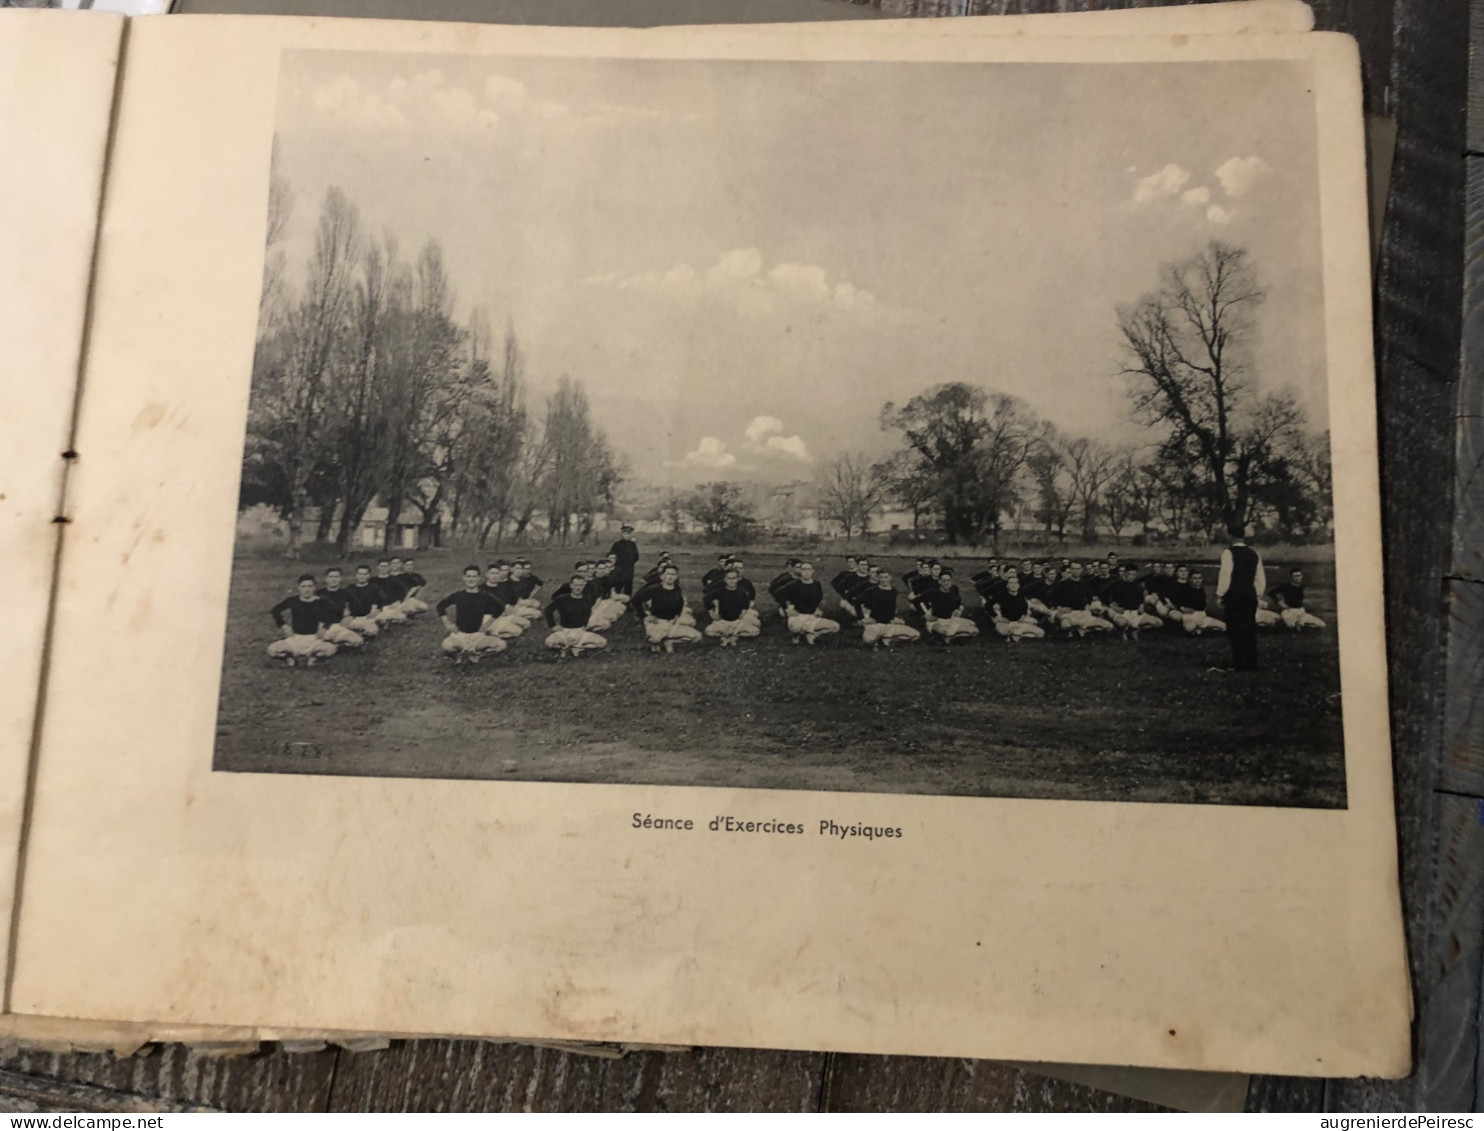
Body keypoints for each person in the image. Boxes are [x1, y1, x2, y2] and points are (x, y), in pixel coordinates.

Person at [436, 565, 509, 663]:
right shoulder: (459, 595)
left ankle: (478, 656)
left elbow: (500, 607)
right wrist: (448, 624)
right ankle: (458, 655)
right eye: (469, 576)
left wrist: (488, 624)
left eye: (474, 577)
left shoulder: (484, 596)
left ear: (479, 579)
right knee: (446, 645)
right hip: (460, 635)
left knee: (501, 645)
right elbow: (440, 606)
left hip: (478, 636)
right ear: (464, 578)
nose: (471, 579)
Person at [1216, 530, 1266, 670]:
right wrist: (1256, 594)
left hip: (1234, 595)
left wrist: (1221, 594)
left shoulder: (1228, 553)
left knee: (1235, 628)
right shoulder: (1254, 553)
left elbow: (1225, 575)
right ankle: (1250, 662)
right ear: (1243, 536)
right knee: (1249, 628)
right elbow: (1260, 577)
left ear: (1230, 535)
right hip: (1249, 593)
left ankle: (1239, 662)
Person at [268, 574, 340, 666]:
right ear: (299, 588)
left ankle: (314, 658)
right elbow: (275, 610)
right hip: (295, 638)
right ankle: (290, 658)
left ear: (314, 587)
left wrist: (325, 627)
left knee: (331, 649)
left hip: (314, 638)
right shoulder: (293, 600)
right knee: (272, 650)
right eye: (304, 586)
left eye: (310, 586)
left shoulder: (321, 602)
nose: (307, 589)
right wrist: (284, 625)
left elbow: (334, 613)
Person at [637, 564, 703, 653]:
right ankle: (655, 644)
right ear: (662, 576)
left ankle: (670, 642)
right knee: (655, 638)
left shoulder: (677, 589)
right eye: (668, 574)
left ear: (676, 577)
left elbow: (680, 602)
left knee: (697, 636)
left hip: (671, 623)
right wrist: (645, 616)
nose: (670, 577)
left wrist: (677, 614)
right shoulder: (654, 589)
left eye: (673, 574)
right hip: (657, 622)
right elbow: (635, 601)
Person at [544, 575, 608, 657]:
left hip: (580, 631)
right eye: (576, 585)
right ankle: (563, 648)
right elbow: (548, 610)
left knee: (602, 642)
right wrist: (553, 626)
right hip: (565, 631)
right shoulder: (562, 599)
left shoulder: (587, 599)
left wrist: (585, 625)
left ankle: (577, 647)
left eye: (581, 585)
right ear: (571, 586)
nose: (578, 588)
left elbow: (588, 613)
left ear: (584, 586)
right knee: (549, 642)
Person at [1043, 562, 1114, 636]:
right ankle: (1075, 630)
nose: (1076, 571)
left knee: (1109, 626)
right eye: (1073, 569)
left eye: (1078, 569)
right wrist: (1059, 607)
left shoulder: (1085, 584)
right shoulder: (1062, 584)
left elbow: (1089, 597)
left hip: (1083, 613)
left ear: (1081, 570)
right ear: (1070, 570)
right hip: (1068, 613)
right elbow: (1049, 597)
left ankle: (1081, 630)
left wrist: (1088, 604)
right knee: (1066, 625)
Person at [856, 569, 920, 649]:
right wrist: (862, 618)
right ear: (878, 578)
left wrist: (894, 618)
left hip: (890, 624)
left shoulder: (893, 591)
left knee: (916, 635)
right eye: (881, 577)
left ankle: (888, 640)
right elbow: (856, 602)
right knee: (868, 640)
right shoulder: (872, 591)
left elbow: (890, 608)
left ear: (890, 577)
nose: (884, 580)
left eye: (886, 577)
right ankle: (879, 640)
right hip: (875, 624)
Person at [781, 562, 840, 645]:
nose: (806, 571)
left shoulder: (817, 585)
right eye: (803, 569)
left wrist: (816, 609)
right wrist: (787, 609)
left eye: (808, 569)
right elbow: (782, 598)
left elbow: (818, 599)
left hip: (811, 617)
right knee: (796, 627)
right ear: (800, 571)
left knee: (835, 627)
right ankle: (796, 636)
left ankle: (812, 634)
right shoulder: (793, 585)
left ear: (812, 571)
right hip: (797, 617)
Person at [914, 568, 979, 642]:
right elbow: (916, 601)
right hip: (937, 621)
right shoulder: (933, 592)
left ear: (951, 582)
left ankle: (951, 638)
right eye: (943, 581)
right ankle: (949, 636)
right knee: (944, 631)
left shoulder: (953, 591)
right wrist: (924, 615)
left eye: (948, 580)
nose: (946, 583)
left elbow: (958, 600)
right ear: (939, 581)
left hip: (951, 620)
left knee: (974, 630)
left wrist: (957, 609)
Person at [1098, 565, 1164, 637]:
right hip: (1121, 612)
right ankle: (1122, 629)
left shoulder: (1137, 584)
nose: (1131, 576)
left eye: (1133, 574)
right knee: (1123, 623)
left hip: (1135, 612)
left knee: (1158, 623)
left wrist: (1141, 605)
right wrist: (1112, 606)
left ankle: (1135, 629)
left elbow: (1141, 597)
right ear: (1124, 574)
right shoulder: (1116, 584)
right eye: (1129, 574)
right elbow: (1102, 595)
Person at [704, 568, 761, 647]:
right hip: (723, 621)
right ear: (725, 579)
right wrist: (712, 613)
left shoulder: (742, 593)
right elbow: (706, 599)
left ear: (737, 579)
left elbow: (745, 606)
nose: (731, 581)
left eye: (734, 578)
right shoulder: (719, 592)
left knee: (755, 631)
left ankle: (733, 636)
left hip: (737, 622)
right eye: (729, 578)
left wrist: (742, 616)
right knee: (708, 631)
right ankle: (726, 635)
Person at [314, 567, 367, 649]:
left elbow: (359, 607)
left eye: (336, 577)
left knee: (358, 641)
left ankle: (337, 645)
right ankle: (331, 643)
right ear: (326, 579)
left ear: (340, 579)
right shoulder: (319, 593)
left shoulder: (345, 592)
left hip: (339, 625)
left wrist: (351, 616)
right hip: (322, 626)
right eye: (331, 577)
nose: (333, 579)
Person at [988, 573, 1045, 641]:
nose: (1013, 585)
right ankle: (1016, 634)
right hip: (1006, 623)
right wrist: (996, 616)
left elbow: (1025, 606)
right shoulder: (1001, 595)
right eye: (1011, 583)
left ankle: (1017, 635)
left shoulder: (1021, 595)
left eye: (1015, 583)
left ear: (1018, 585)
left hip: (1020, 623)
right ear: (1007, 585)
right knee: (1003, 632)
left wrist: (1023, 615)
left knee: (1041, 633)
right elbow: (988, 605)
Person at [341, 565, 383, 638]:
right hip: (354, 617)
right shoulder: (350, 588)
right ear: (356, 575)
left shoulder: (373, 588)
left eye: (365, 574)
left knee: (372, 630)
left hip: (368, 617)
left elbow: (381, 602)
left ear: (369, 575)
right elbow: (343, 603)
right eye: (360, 574)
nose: (362, 576)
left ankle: (362, 635)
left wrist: (377, 610)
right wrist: (346, 612)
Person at [371, 559, 408, 626]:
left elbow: (402, 592)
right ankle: (382, 620)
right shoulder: (373, 580)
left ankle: (386, 620)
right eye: (382, 566)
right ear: (378, 567)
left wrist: (398, 601)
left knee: (402, 617)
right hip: (377, 607)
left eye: (386, 566)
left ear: (389, 567)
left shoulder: (394, 580)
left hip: (391, 606)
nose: (383, 568)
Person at [608, 525, 640, 596]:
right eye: (625, 533)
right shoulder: (617, 545)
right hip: (619, 569)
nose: (627, 535)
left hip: (629, 570)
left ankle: (627, 604)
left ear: (631, 534)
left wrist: (630, 564)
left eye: (629, 533)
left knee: (628, 588)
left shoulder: (633, 545)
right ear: (622, 534)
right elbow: (611, 557)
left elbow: (636, 557)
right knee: (617, 587)